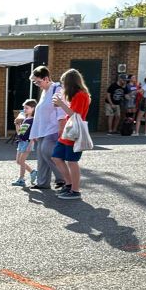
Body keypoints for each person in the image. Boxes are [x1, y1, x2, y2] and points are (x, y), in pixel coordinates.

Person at [50, 68, 91, 201]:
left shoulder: (81, 95)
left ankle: (75, 190)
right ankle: (69, 184)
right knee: (57, 157)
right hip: (69, 131)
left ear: (70, 82)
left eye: (63, 83)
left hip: (75, 132)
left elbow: (76, 115)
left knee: (72, 161)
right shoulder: (76, 95)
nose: (62, 85)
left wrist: (61, 104)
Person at [28, 65, 66, 192]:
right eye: (35, 82)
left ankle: (63, 179)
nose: (37, 84)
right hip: (42, 130)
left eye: (38, 81)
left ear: (46, 78)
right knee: (41, 155)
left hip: (53, 128)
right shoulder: (45, 92)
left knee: (47, 152)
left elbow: (61, 109)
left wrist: (61, 127)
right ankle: (43, 182)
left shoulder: (57, 89)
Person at [12, 99, 36, 187]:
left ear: (33, 108)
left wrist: (31, 144)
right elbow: (20, 133)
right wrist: (16, 124)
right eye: (24, 108)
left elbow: (34, 133)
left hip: (28, 142)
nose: (24, 110)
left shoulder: (33, 120)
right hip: (21, 142)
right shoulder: (26, 119)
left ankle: (21, 179)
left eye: (27, 108)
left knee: (22, 161)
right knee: (18, 161)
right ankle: (33, 172)